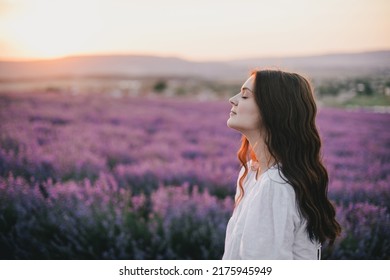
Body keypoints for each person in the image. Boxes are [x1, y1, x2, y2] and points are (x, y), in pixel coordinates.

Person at [222, 69, 341, 260]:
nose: (233, 99)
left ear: (273, 110)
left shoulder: (274, 185)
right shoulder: (252, 173)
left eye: (245, 96)